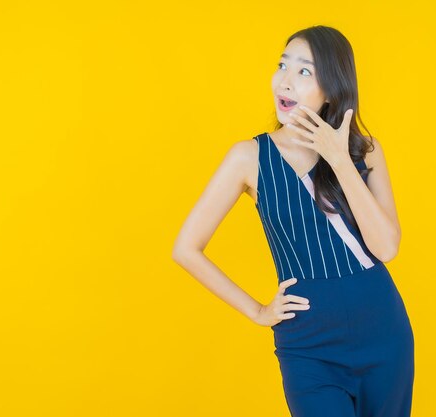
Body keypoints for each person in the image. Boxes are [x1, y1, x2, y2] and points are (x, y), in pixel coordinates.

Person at [172, 25, 414, 417]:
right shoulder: (248, 158)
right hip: (308, 344)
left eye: (304, 71)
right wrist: (258, 311)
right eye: (282, 65)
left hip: (383, 331)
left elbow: (386, 247)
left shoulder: (364, 151)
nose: (285, 80)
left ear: (332, 89)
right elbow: (185, 248)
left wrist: (338, 158)